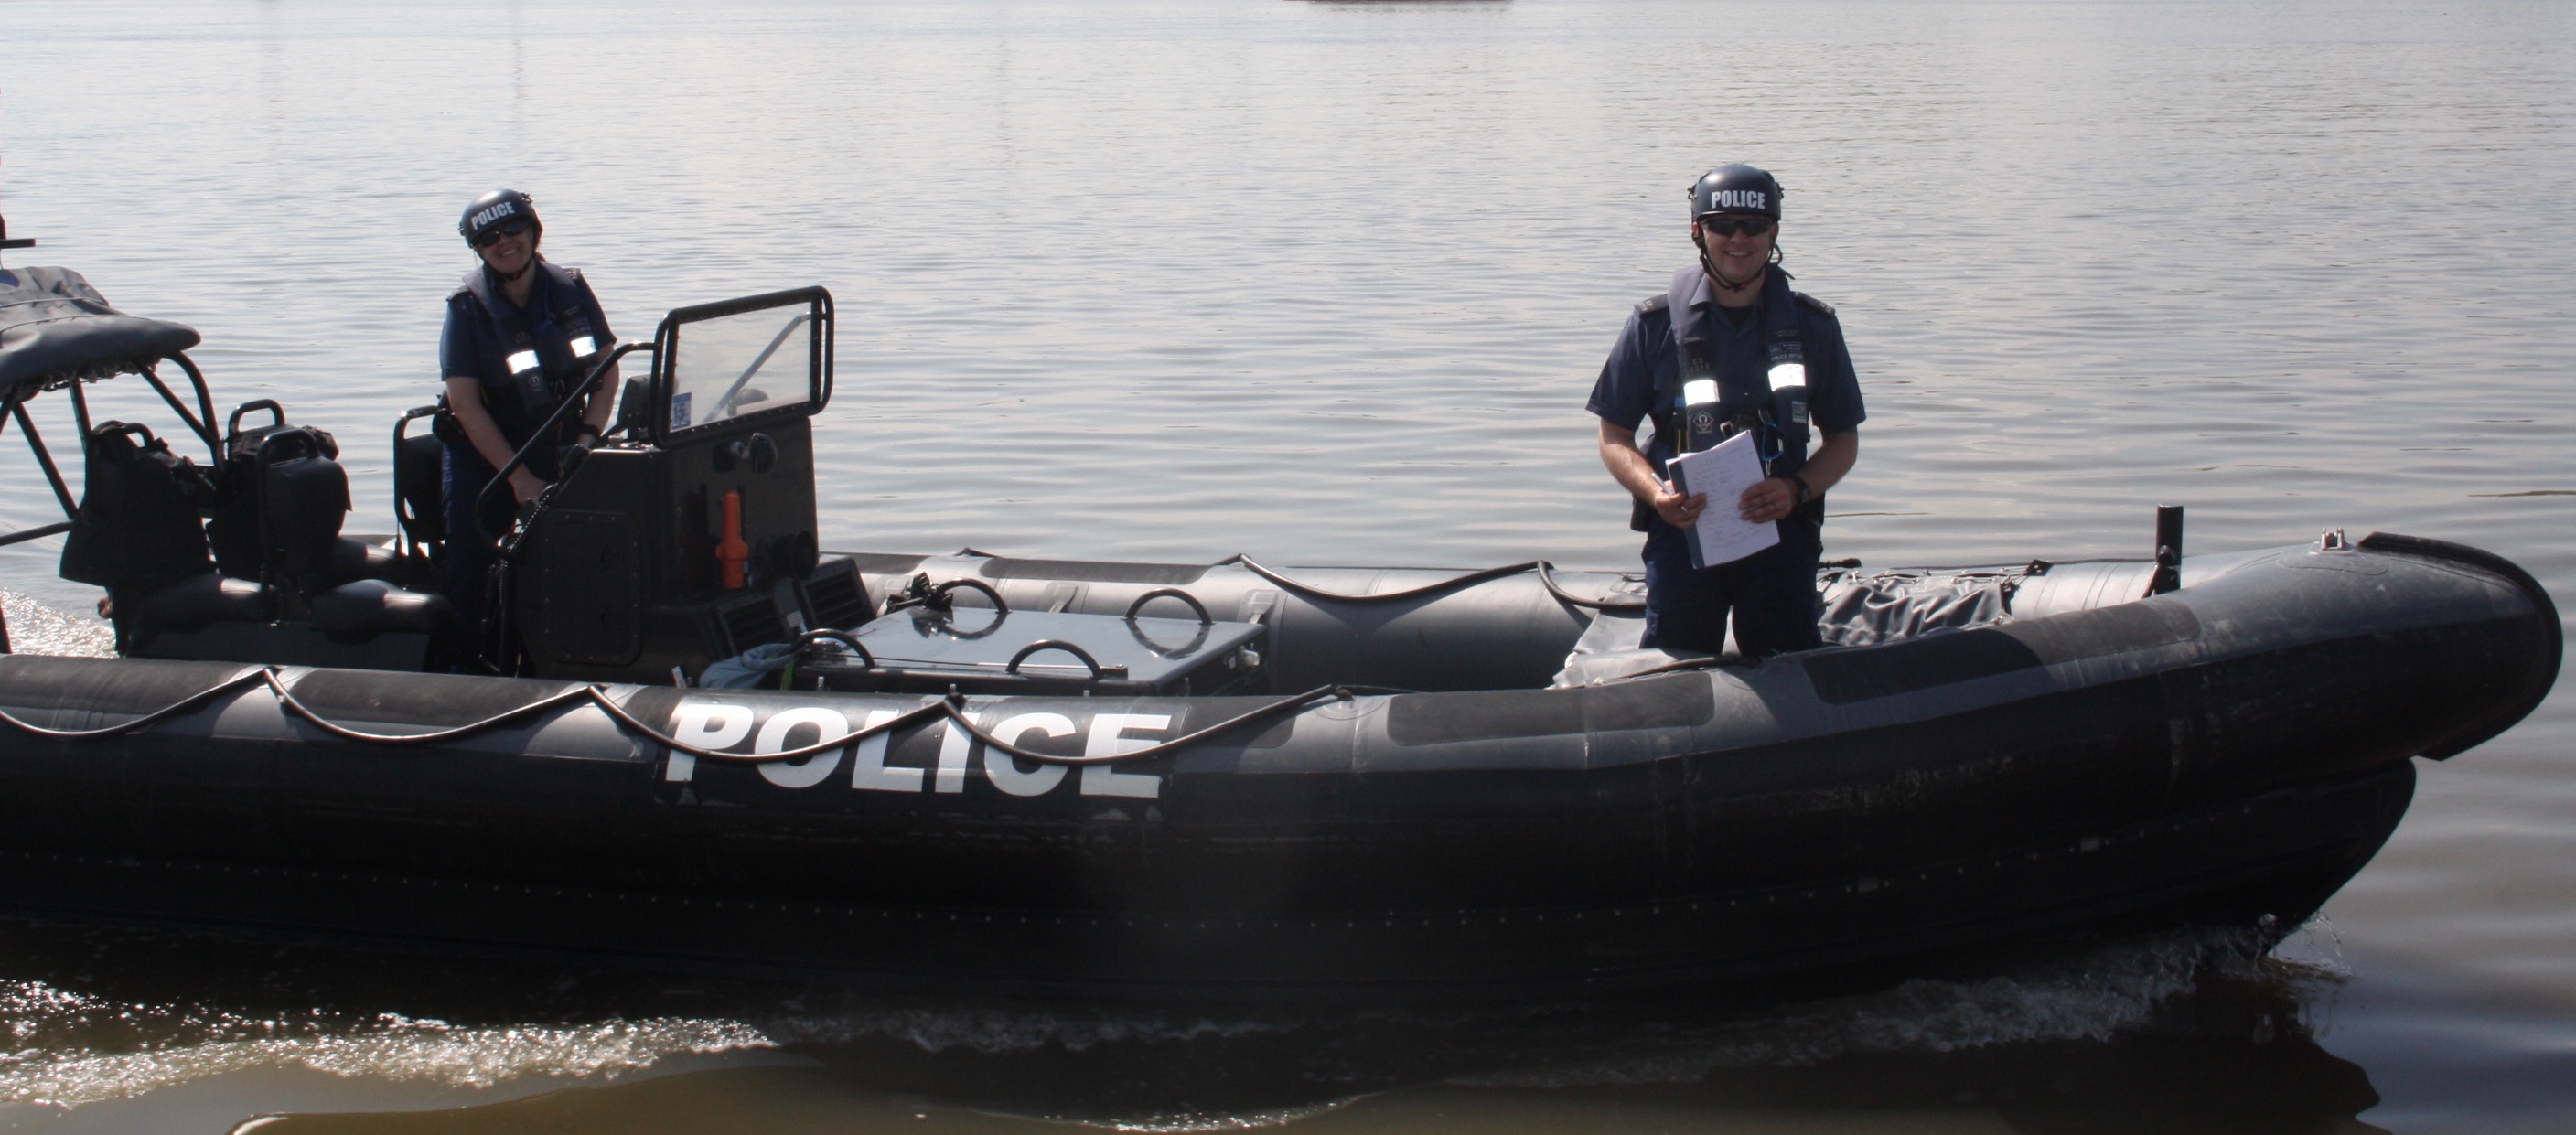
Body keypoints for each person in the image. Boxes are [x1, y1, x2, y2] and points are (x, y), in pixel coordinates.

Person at [1586, 164, 1864, 657]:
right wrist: (1657, 494)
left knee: (1790, 664)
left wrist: (1796, 489)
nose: (1739, 239)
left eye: (1754, 226)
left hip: (1781, 531)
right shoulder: (1653, 325)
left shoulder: (1813, 326)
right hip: (1684, 531)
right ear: (1699, 232)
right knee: (1674, 662)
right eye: (1723, 226)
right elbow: (1614, 436)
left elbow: (1843, 440)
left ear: (1773, 233)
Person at [438, 188, 617, 635]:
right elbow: (465, 404)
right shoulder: (466, 308)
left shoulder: (570, 290)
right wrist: (518, 479)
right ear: (478, 249)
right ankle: (464, 656)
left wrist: (586, 444)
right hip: (485, 456)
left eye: (512, 229)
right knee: (470, 560)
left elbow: (607, 372)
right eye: (489, 238)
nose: (504, 243)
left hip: (561, 445)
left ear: (533, 231)